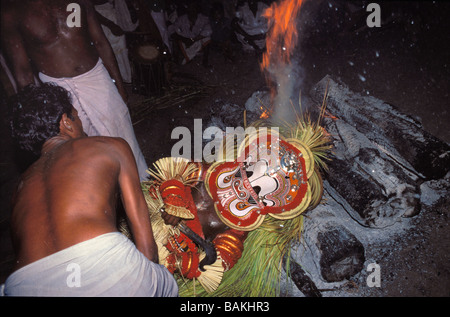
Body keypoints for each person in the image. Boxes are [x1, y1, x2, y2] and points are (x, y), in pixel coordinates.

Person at [0, 83, 178, 296]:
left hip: (25, 286)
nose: (82, 124)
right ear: (66, 122)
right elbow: (147, 249)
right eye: (77, 116)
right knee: (164, 283)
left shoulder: (20, 187)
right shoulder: (111, 146)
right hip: (104, 263)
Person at [1, 0, 148, 181]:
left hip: (96, 77)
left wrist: (120, 87)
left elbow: (101, 42)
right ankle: (109, 199)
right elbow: (22, 72)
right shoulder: (12, 11)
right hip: (56, 89)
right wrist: (37, 116)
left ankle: (144, 190)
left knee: (125, 138)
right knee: (84, 152)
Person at [169, 2, 212, 66]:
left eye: (194, 8)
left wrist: (193, 40)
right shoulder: (182, 19)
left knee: (208, 38)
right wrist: (184, 39)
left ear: (198, 9)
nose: (192, 10)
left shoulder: (203, 19)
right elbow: (171, 30)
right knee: (175, 38)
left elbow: (209, 30)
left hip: (196, 41)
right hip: (185, 41)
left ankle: (205, 61)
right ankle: (176, 60)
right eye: (190, 8)